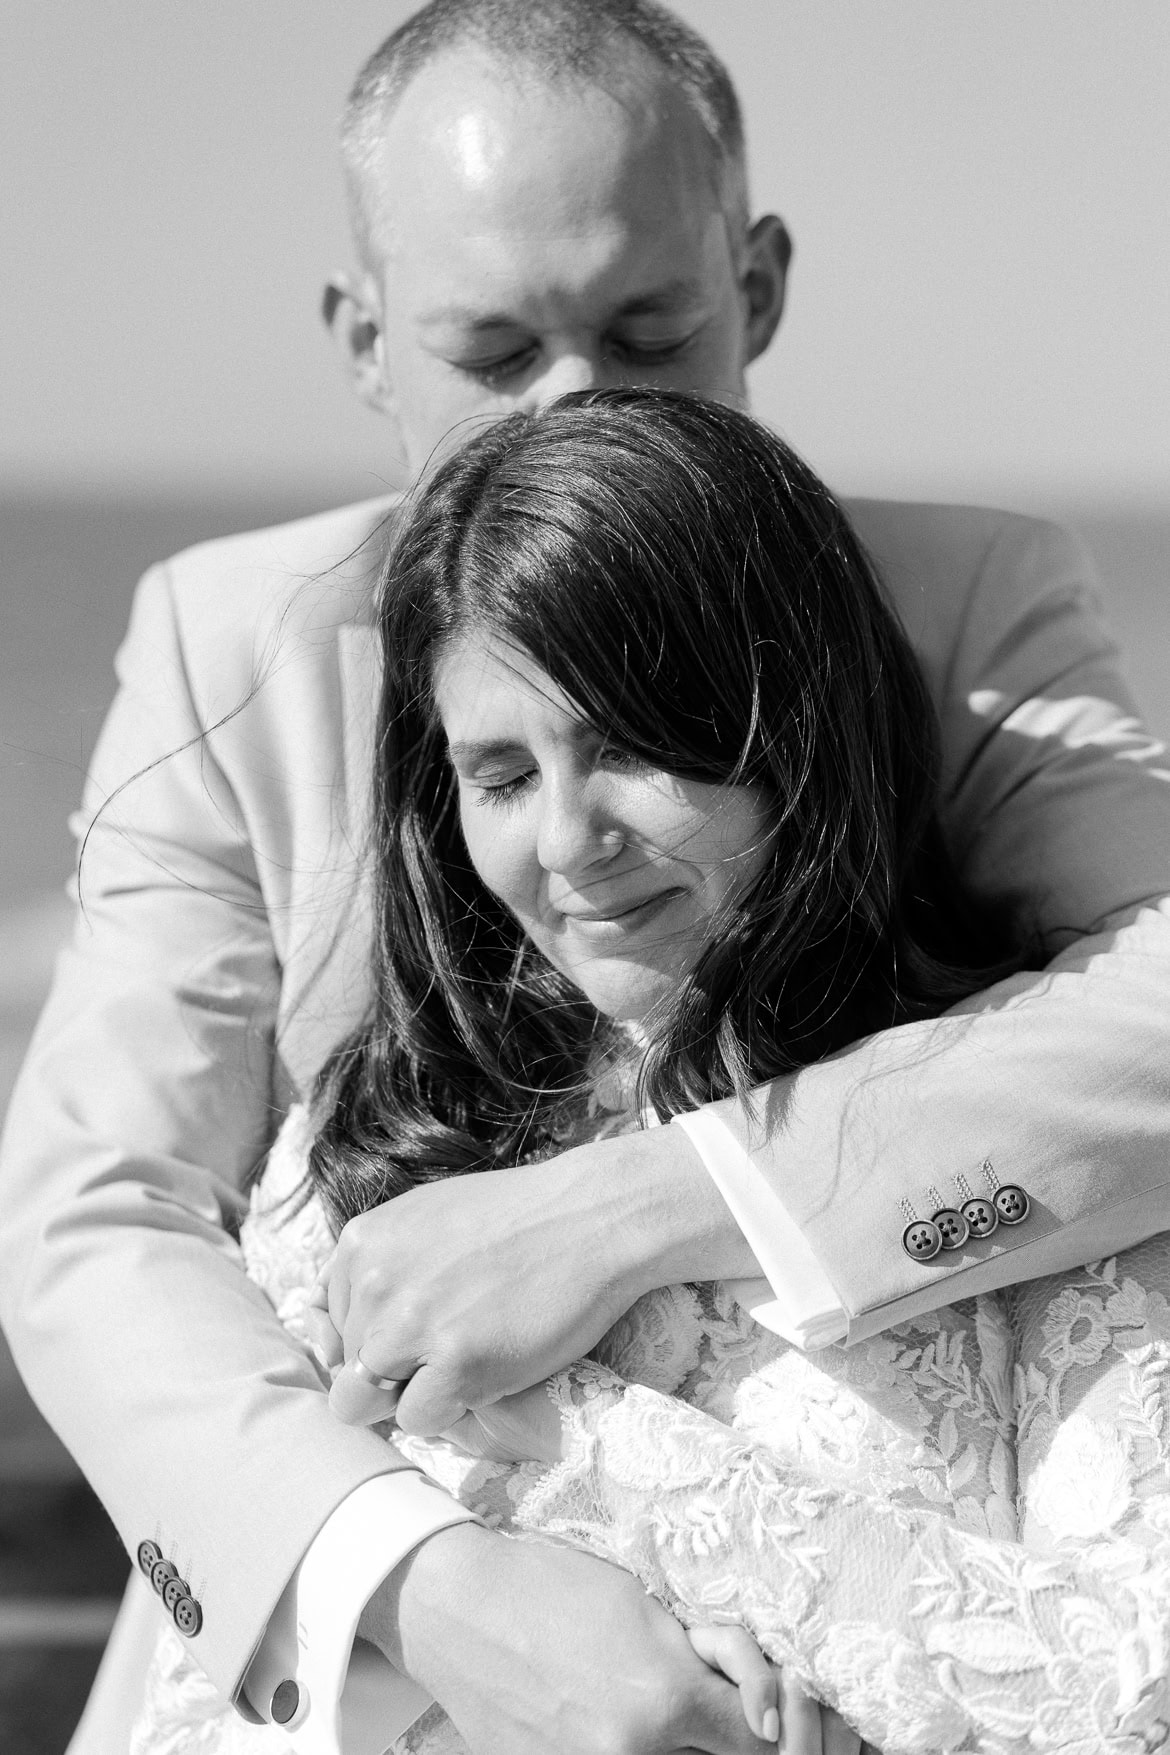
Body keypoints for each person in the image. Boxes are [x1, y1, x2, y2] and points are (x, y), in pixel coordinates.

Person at [0, 2, 1168, 1751]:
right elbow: (101, 1216)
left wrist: (636, 1208)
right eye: (490, 349)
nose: (575, 405)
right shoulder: (227, 644)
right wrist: (421, 1586)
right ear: (366, 339)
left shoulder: (963, 608)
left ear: (753, 286)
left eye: (646, 331)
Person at [131, 390, 1170, 1755]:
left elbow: (1126, 1691)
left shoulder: (1038, 1154)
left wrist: (569, 1449)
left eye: (627, 743)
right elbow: (200, 1706)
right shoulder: (381, 1137)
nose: (569, 842)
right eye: (501, 775)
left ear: (796, 728)